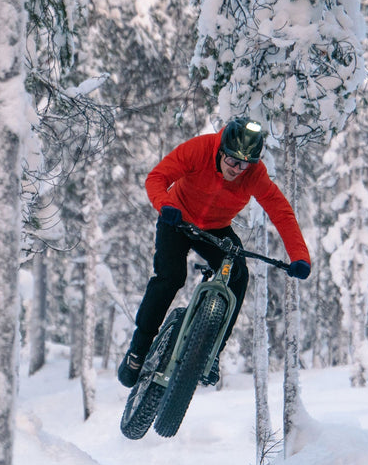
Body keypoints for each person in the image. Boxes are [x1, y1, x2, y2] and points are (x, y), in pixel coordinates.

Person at [118, 116, 311, 389]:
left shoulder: (254, 174)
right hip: (177, 218)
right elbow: (157, 177)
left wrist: (300, 256)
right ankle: (138, 350)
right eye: (232, 160)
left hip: (216, 229)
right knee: (170, 277)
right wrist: (164, 205)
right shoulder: (199, 149)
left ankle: (211, 354)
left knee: (239, 275)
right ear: (221, 150)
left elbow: (281, 212)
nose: (237, 169)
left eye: (244, 164)